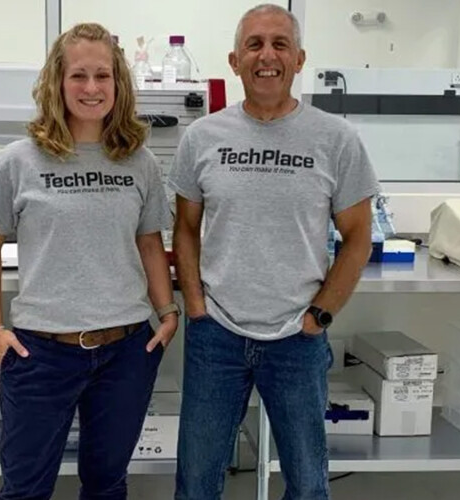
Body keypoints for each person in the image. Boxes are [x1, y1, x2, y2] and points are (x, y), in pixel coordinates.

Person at [170, 4, 379, 499]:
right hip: (215, 335)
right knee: (197, 482)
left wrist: (320, 316)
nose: (267, 56)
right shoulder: (201, 138)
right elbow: (184, 228)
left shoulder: (337, 140)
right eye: (255, 45)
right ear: (234, 60)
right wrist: (196, 307)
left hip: (297, 339)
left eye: (280, 44)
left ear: (299, 58)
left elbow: (358, 237)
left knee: (307, 484)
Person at [0, 23, 179, 500]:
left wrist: (167, 314)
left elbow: (149, 243)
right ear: (57, 82)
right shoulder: (18, 161)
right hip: (41, 352)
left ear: (118, 83)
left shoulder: (139, 162)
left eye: (103, 76)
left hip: (126, 351)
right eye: (79, 76)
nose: (91, 88)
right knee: (25, 490)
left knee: (107, 485)